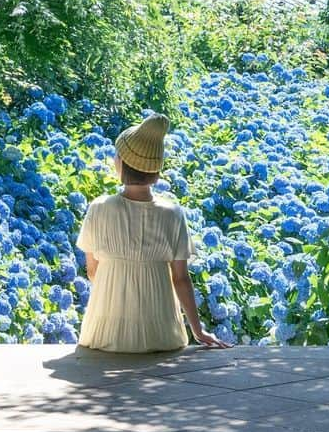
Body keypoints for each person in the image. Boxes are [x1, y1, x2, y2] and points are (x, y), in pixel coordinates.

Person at [77, 114, 231, 353]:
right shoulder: (172, 214)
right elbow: (180, 278)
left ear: (121, 164)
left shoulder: (99, 208)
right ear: (155, 172)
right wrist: (198, 331)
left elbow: (93, 270)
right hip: (160, 336)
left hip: (103, 333)